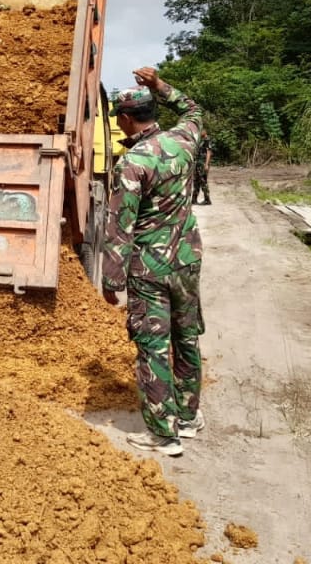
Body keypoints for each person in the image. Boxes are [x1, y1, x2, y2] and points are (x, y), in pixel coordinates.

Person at [101, 66, 206, 458]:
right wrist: (160, 84)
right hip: (187, 261)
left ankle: (164, 434)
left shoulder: (132, 163)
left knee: (153, 345)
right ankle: (189, 417)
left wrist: (112, 281)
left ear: (126, 119)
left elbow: (119, 226)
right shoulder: (184, 140)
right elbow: (193, 110)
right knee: (187, 337)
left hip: (150, 269)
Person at [192, 128, 213, 205]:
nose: (199, 133)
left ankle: (207, 200)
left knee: (203, 181)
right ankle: (194, 199)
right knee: (196, 181)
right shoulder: (201, 140)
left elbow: (209, 152)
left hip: (203, 163)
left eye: (201, 131)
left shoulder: (207, 140)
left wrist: (206, 164)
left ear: (205, 131)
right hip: (198, 163)